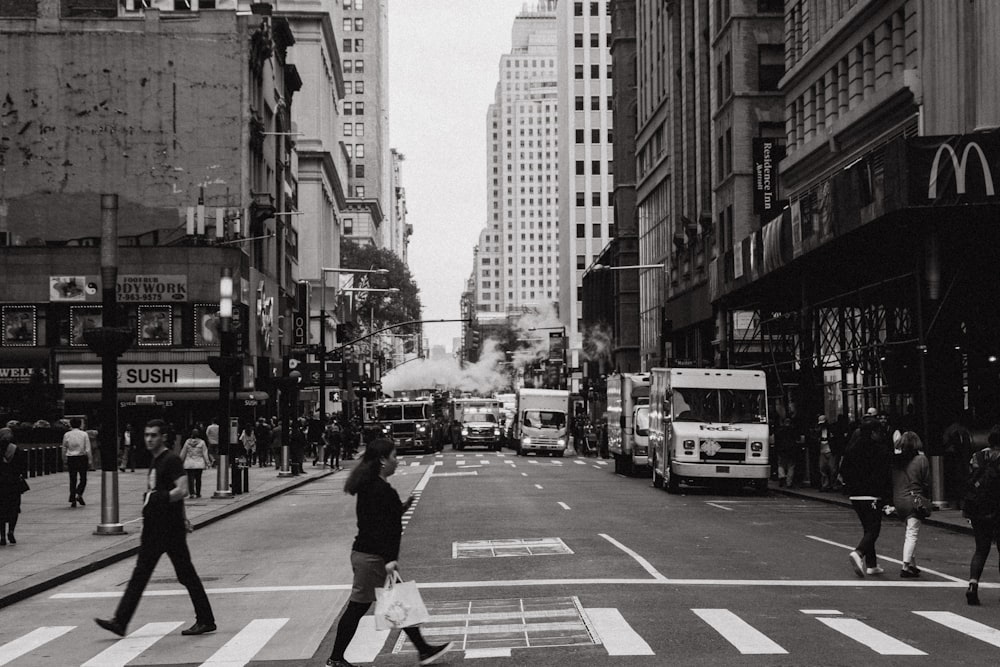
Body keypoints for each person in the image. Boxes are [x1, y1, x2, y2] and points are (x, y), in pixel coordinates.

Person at [326, 438, 452, 667]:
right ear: (383, 460)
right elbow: (386, 528)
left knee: (398, 603)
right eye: (394, 456)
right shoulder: (379, 489)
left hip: (370, 555)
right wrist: (390, 559)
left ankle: (423, 649)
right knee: (359, 607)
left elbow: (380, 519)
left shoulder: (371, 486)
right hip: (373, 558)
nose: (397, 461)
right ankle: (335, 659)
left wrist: (400, 508)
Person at [95, 419, 216, 637]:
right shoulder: (157, 460)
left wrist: (157, 500)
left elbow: (182, 490)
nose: (149, 439)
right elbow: (173, 495)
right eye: (147, 435)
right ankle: (121, 621)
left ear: (164, 437)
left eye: (154, 435)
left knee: (181, 575)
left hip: (167, 529)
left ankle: (206, 619)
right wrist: (183, 517)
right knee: (144, 575)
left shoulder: (170, 460)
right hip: (159, 527)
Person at [840, 410, 893, 577]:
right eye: (879, 432)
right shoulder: (880, 450)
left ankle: (872, 564)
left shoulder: (851, 449)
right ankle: (859, 553)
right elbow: (885, 475)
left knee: (867, 529)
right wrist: (886, 497)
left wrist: (850, 485)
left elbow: (843, 470)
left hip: (855, 495)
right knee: (874, 529)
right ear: (874, 433)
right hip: (872, 494)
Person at [963, 425, 1000, 605]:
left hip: (978, 508)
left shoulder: (977, 457)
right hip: (998, 509)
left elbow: (969, 479)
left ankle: (972, 584)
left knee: (981, 549)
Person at [890, 431, 931, 578]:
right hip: (914, 499)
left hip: (898, 499)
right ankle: (905, 566)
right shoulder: (921, 460)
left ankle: (913, 564)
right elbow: (926, 481)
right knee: (912, 533)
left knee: (909, 530)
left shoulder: (896, 460)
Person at [0, 428, 26, 546]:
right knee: (14, 508)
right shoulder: (15, 449)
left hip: (1, 483)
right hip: (14, 483)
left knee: (1, 509)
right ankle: (11, 531)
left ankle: (2, 536)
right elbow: (22, 466)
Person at [61, 417, 91, 508]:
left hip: (71, 458)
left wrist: (64, 458)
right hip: (82, 457)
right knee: (83, 478)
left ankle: (72, 497)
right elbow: (88, 448)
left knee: (72, 479)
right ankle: (79, 493)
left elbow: (64, 447)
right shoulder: (84, 434)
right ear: (80, 424)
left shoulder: (67, 434)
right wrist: (90, 460)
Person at [179, 428, 213, 499]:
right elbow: (205, 453)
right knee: (198, 479)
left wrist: (180, 461)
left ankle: (191, 493)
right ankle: (198, 493)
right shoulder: (202, 442)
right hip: (199, 463)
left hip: (189, 463)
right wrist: (208, 463)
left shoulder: (187, 442)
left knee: (190, 479)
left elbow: (183, 452)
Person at [813, 415, 835, 491]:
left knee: (832, 469)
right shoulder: (818, 431)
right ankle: (825, 484)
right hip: (822, 450)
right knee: (822, 468)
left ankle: (831, 484)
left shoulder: (830, 429)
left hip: (829, 450)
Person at [774, 417, 797, 488]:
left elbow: (776, 440)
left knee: (781, 465)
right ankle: (789, 483)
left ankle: (782, 476)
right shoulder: (793, 430)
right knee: (791, 466)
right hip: (791, 450)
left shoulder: (779, 431)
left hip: (782, 450)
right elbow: (797, 439)